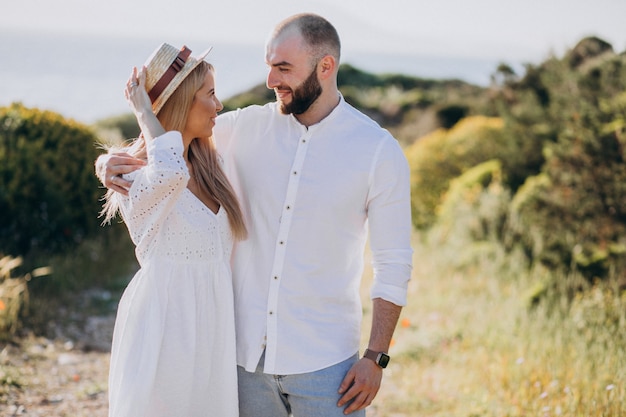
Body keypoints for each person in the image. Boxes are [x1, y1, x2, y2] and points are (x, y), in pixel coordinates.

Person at [97, 13, 413, 416]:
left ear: (326, 66)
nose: (270, 81)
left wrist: (376, 356)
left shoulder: (377, 151)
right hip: (239, 364)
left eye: (283, 68)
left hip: (327, 368)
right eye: (268, 66)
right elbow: (169, 137)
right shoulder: (243, 128)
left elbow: (393, 263)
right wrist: (109, 162)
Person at [100, 43, 246, 417]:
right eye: (210, 94)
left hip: (212, 330)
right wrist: (145, 114)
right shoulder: (137, 176)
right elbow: (168, 171)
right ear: (181, 102)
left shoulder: (213, 163)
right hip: (164, 330)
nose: (220, 105)